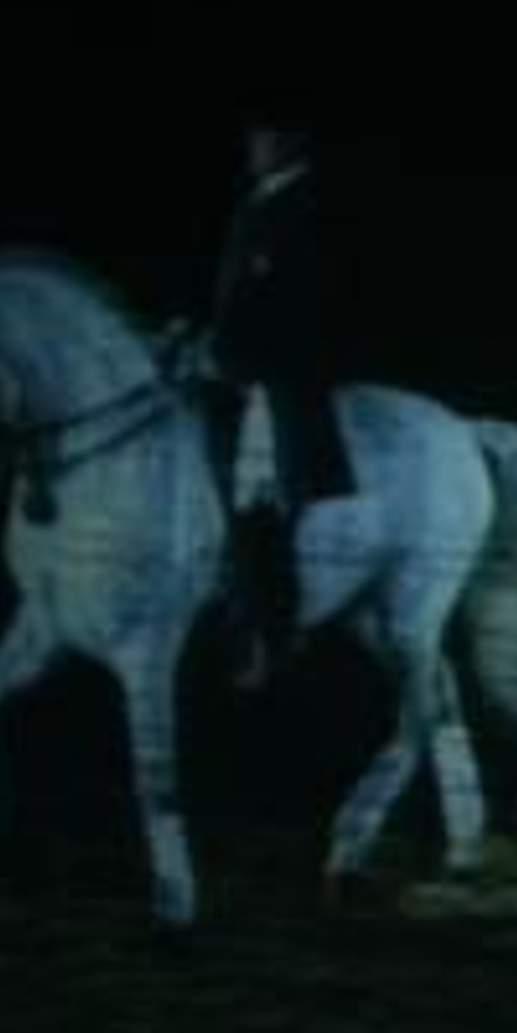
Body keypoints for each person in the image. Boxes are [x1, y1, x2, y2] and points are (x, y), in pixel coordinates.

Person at [207, 122, 353, 682]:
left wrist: (238, 359)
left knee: (256, 501)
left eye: (263, 140)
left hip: (280, 377)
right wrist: (207, 341)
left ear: (289, 144)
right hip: (239, 363)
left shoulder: (306, 205)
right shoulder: (258, 201)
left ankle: (273, 625)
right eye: (253, 141)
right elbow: (238, 296)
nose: (252, 150)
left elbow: (298, 302)